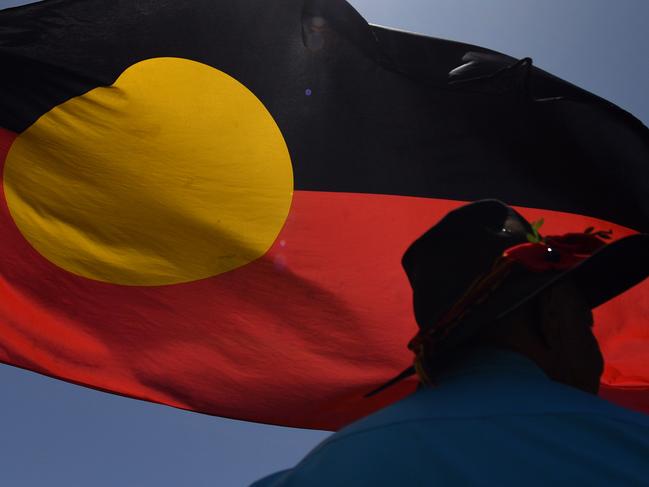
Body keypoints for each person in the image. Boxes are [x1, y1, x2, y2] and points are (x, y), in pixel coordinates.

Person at [252, 200, 649, 486]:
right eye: (586, 322)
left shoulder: (306, 475)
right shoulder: (631, 447)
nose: (595, 355)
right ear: (552, 317)